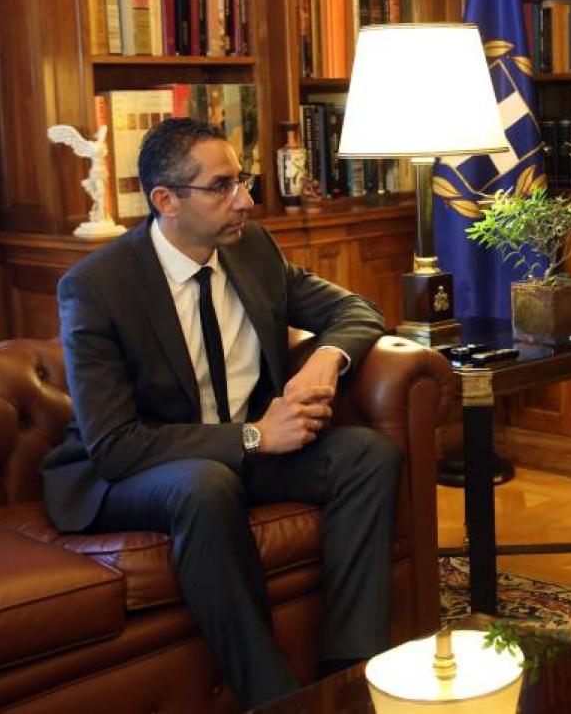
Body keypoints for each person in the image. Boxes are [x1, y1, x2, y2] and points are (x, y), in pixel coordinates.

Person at [41, 117, 401, 708]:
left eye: (242, 179)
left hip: (238, 456)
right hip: (130, 472)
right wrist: (255, 436)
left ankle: (348, 675)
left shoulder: (250, 249)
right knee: (205, 485)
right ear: (166, 201)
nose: (245, 200)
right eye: (221, 186)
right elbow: (116, 445)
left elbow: (359, 310)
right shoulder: (98, 286)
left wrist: (325, 361)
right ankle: (277, 699)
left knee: (367, 456)